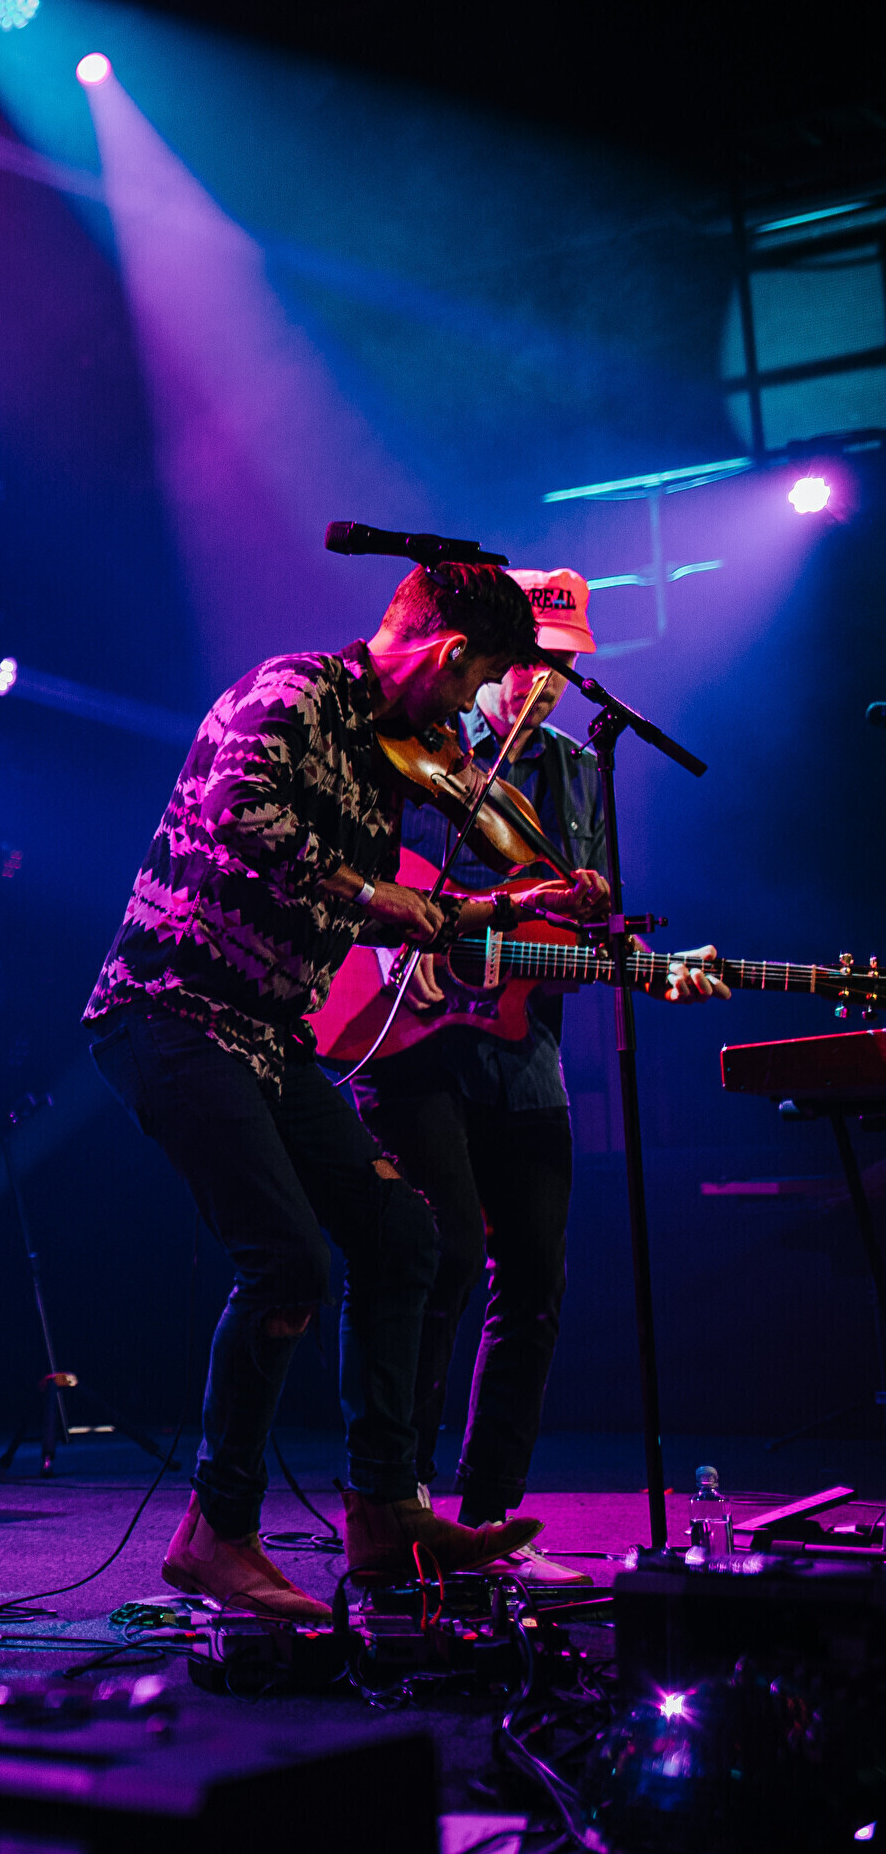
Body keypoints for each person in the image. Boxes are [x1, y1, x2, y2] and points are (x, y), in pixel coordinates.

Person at [82, 563, 612, 1620]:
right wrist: (378, 891)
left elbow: (396, 910)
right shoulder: (291, 695)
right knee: (285, 1260)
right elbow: (245, 821)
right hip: (172, 1012)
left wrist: (514, 903)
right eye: (480, 679)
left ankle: (383, 1511)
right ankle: (216, 1530)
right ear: (449, 652)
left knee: (405, 1237)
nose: (475, 705)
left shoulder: (390, 751)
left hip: (268, 1037)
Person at [351, 570, 727, 1586]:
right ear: (486, 658)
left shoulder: (576, 768)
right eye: (528, 661)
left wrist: (631, 953)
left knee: (535, 1282)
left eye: (561, 665)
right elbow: (368, 870)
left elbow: (577, 922)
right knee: (439, 1264)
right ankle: (401, 1506)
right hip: (409, 1035)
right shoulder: (419, 740)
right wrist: (405, 938)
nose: (543, 681)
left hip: (522, 1048)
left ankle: (488, 1519)